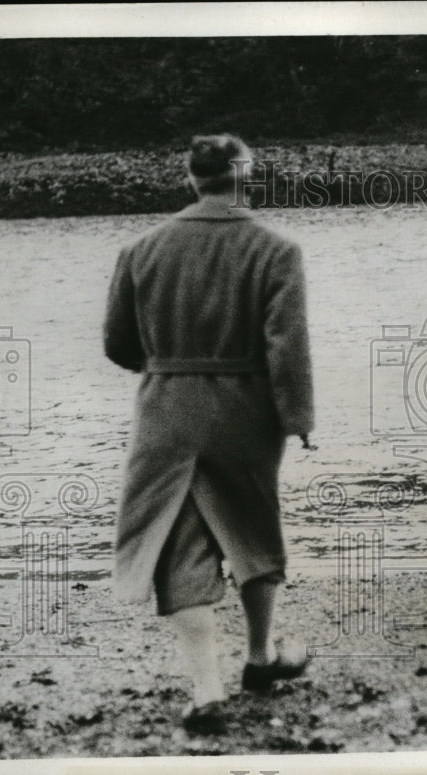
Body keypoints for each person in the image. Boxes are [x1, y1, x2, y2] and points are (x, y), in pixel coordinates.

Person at [104, 134, 314, 734]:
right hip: (244, 408)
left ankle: (205, 691)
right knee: (251, 527)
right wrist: (298, 420)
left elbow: (119, 345)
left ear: (191, 178)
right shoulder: (276, 250)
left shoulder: (140, 249)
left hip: (166, 409)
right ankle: (260, 657)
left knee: (179, 543)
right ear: (244, 175)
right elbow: (287, 349)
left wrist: (172, 365)